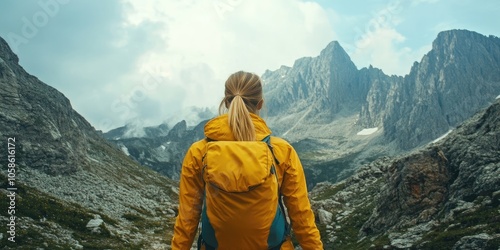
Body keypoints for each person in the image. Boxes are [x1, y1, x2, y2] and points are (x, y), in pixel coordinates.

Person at [171, 71, 323, 250]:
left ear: (226, 102)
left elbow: (188, 217)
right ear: (260, 104)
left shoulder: (199, 151)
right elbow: (301, 216)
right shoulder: (282, 151)